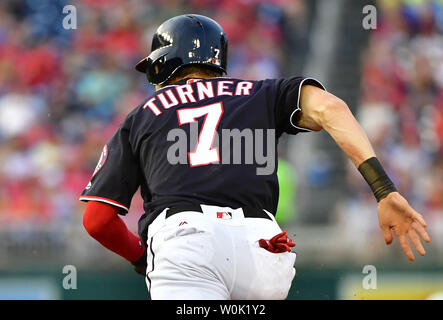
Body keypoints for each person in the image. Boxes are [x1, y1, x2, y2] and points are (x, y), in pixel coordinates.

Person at [80, 14, 430, 300]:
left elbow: (97, 220)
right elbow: (332, 108)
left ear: (162, 66)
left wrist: (139, 255)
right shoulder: (260, 92)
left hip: (187, 242)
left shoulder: (143, 114)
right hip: (264, 247)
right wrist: (383, 189)